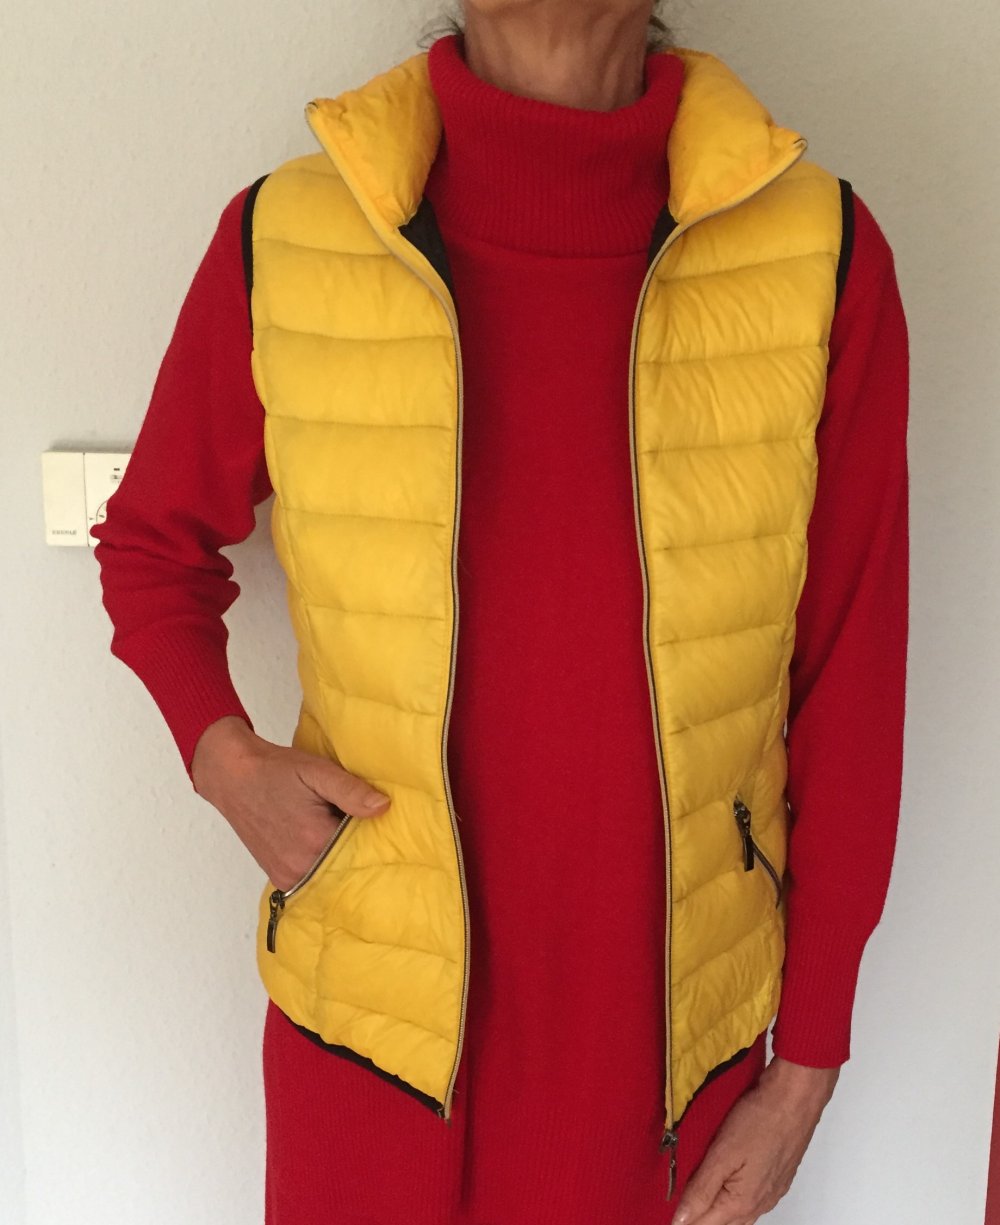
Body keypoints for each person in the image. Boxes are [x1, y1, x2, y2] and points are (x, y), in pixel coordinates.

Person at [90, 3, 909, 1222]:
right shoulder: (291, 234)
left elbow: (854, 669)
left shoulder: (818, 252)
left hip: (672, 1055)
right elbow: (152, 543)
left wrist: (806, 1070)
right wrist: (222, 757)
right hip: (371, 1038)